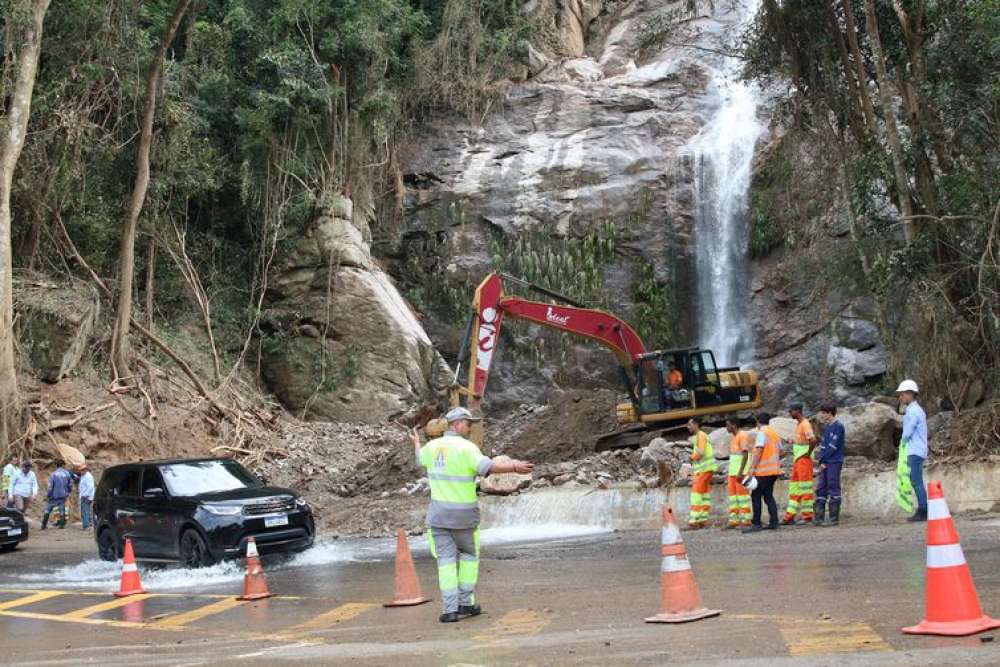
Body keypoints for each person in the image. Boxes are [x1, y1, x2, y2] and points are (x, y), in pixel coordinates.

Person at [409, 407, 534, 623]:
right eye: (468, 424)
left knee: (446, 562)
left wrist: (416, 443)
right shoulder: (467, 448)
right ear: (457, 424)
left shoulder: (432, 447)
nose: (470, 427)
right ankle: (465, 604)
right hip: (465, 517)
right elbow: (489, 467)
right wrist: (514, 466)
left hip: (439, 517)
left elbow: (420, 460)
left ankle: (449, 610)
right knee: (468, 558)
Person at [742, 413, 782, 533]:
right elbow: (781, 450)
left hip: (763, 471)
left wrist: (752, 469)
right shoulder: (774, 433)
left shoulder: (762, 433)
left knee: (756, 496)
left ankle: (756, 524)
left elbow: (758, 450)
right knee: (768, 496)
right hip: (774, 470)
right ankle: (774, 522)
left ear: (757, 422)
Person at [897, 380, 929, 522]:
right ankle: (923, 509)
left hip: (914, 450)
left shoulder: (913, 411)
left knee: (916, 481)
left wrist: (902, 443)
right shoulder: (915, 410)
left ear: (910, 394)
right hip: (916, 449)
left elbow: (907, 433)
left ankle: (923, 510)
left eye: (902, 394)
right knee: (916, 480)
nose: (901, 397)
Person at [782, 403, 818, 525]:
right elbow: (802, 441)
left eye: (791, 411)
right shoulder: (799, 425)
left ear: (797, 411)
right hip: (798, 460)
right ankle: (789, 516)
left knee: (805, 488)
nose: (789, 413)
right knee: (795, 488)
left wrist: (808, 454)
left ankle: (807, 516)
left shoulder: (805, 424)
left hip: (803, 460)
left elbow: (813, 440)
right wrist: (792, 441)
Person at [814, 402, 845, 526]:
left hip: (834, 461)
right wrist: (822, 461)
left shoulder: (838, 426)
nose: (821, 415)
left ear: (829, 413)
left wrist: (823, 460)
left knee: (833, 486)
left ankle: (833, 518)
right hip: (826, 461)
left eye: (823, 413)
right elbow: (824, 446)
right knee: (821, 487)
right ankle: (819, 517)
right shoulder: (827, 427)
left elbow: (833, 446)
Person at [686, 417, 715, 529]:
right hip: (706, 469)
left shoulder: (700, 435)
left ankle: (694, 519)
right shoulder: (701, 435)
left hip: (704, 469)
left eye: (689, 424)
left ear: (696, 424)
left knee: (696, 493)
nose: (688, 427)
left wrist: (691, 457)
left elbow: (701, 452)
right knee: (704, 494)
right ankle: (702, 518)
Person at [724, 417, 752, 529]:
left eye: (728, 425)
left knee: (742, 497)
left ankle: (746, 520)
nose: (726, 427)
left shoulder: (742, 436)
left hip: (740, 473)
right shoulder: (734, 437)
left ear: (734, 425)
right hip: (733, 473)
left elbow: (745, 454)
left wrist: (741, 472)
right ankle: (733, 520)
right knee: (733, 498)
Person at [42, 460, 73, 530]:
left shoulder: (53, 474)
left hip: (53, 496)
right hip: (63, 495)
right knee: (62, 510)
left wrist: (48, 495)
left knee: (48, 510)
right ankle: (61, 525)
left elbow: (50, 486)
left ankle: (43, 525)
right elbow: (70, 485)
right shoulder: (67, 474)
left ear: (57, 465)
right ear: (62, 465)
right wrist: (68, 492)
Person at [78, 464, 95, 530]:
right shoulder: (84, 476)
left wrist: (87, 495)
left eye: (81, 470)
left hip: (86, 496)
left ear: (85, 470)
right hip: (85, 495)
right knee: (86, 510)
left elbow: (90, 487)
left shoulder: (88, 476)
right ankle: (89, 524)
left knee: (84, 511)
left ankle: (86, 525)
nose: (80, 472)